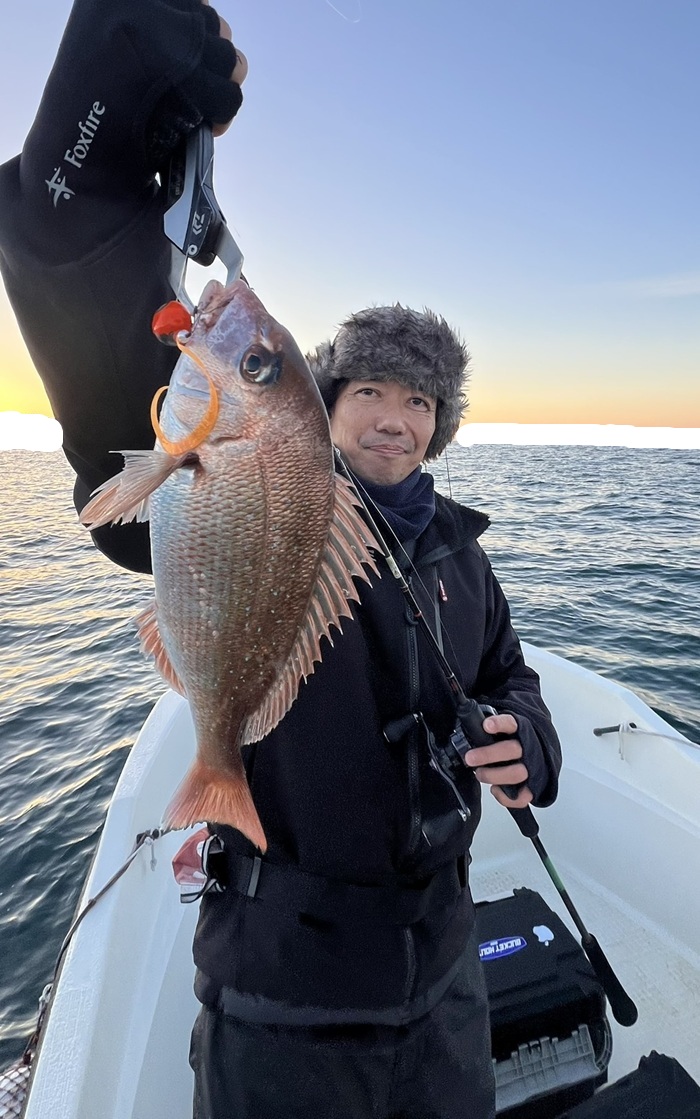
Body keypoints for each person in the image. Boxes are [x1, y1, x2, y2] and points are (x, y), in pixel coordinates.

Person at [0, 2, 562, 1116]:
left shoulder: (464, 557)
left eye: (421, 400)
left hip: (444, 977)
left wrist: (529, 743)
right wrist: (99, 154)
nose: (396, 417)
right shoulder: (234, 473)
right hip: (281, 989)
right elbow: (93, 359)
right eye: (369, 391)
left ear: (440, 424)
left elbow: (511, 676)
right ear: (325, 409)